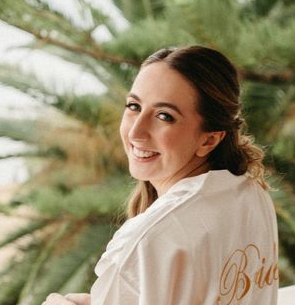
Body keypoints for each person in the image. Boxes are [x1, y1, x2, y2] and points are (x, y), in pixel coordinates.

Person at [43, 46, 278, 305]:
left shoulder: (149, 241)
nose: (136, 132)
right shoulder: (251, 194)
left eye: (164, 116)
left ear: (209, 139)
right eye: (134, 106)